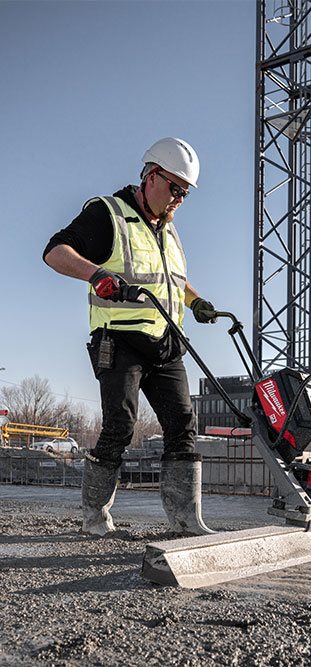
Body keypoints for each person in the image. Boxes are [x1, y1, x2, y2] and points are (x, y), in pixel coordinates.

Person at [43, 138, 220, 537]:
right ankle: (95, 518)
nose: (179, 199)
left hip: (166, 343)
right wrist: (96, 274)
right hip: (120, 341)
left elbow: (172, 281)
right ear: (151, 175)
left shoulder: (169, 231)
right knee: (120, 426)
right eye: (174, 188)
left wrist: (195, 302)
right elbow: (55, 252)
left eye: (185, 193)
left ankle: (186, 521)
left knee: (183, 425)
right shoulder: (109, 213)